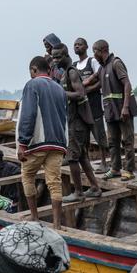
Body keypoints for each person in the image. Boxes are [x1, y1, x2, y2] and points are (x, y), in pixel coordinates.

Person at [18, 56, 68, 229]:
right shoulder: (59, 89)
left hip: (38, 143)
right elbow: (64, 117)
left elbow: (28, 115)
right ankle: (56, 224)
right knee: (54, 182)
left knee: (27, 175)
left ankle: (35, 217)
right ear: (49, 70)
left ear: (33, 69)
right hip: (58, 143)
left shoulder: (32, 84)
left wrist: (23, 143)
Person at [59, 49, 102, 202]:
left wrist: (61, 93)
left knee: (72, 158)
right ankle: (95, 187)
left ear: (65, 56)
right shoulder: (64, 74)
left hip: (77, 123)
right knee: (82, 156)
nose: (56, 59)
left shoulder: (72, 73)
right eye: (54, 57)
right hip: (73, 121)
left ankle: (78, 192)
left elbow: (80, 94)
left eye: (58, 57)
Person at [93, 40, 137, 182]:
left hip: (122, 109)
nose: (93, 55)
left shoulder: (116, 63)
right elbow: (91, 80)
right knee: (112, 141)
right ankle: (115, 168)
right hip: (110, 111)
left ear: (101, 50)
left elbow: (127, 84)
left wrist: (125, 107)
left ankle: (129, 170)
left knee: (127, 140)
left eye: (94, 51)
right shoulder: (102, 68)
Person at [74, 38, 109, 173]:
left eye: (80, 44)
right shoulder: (75, 65)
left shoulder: (92, 61)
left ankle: (105, 163)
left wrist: (87, 90)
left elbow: (101, 81)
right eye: (75, 45)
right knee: (84, 138)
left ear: (86, 46)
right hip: (81, 107)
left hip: (94, 105)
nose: (77, 46)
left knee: (99, 134)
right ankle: (86, 163)